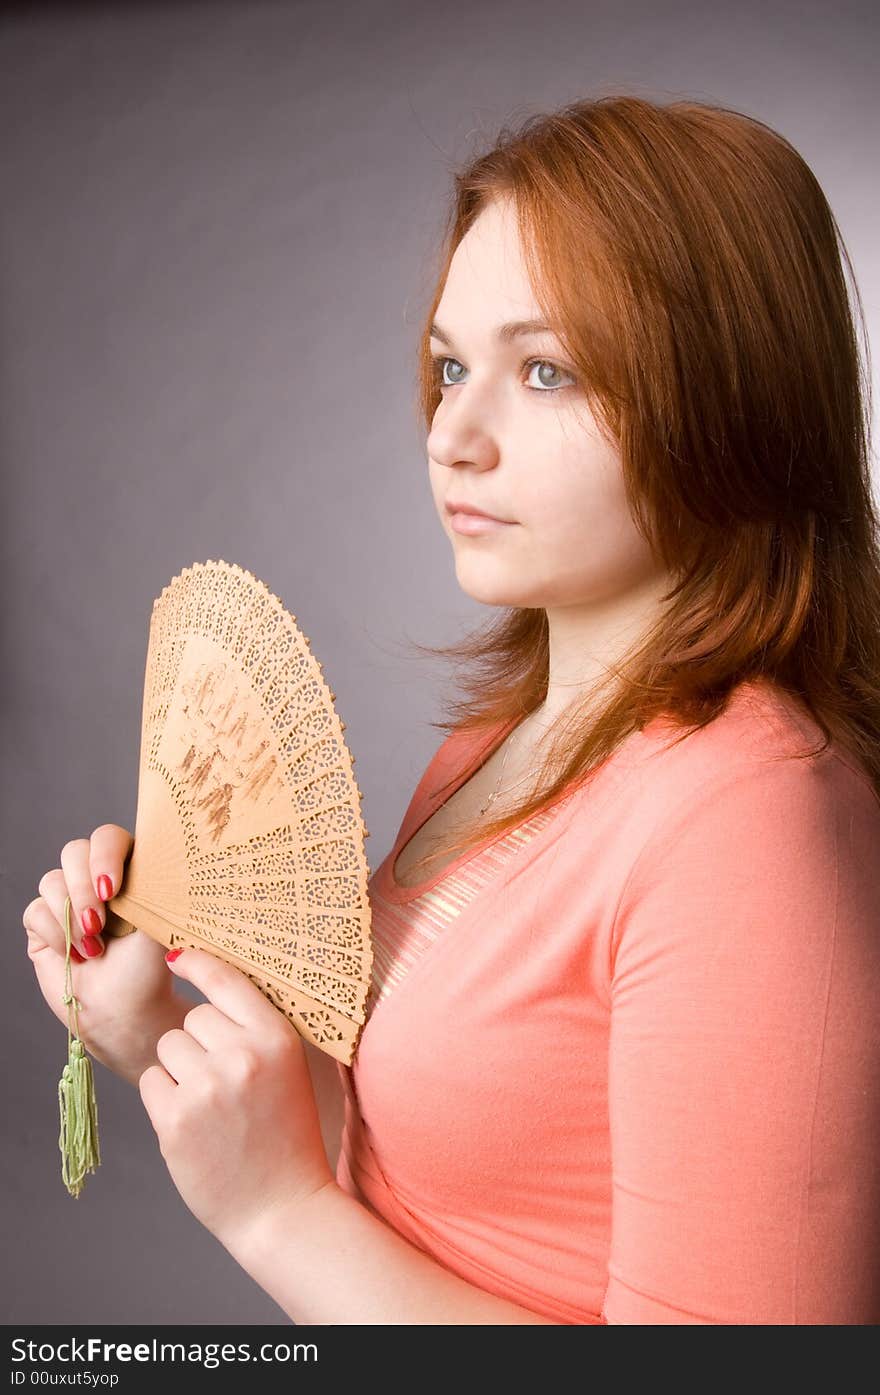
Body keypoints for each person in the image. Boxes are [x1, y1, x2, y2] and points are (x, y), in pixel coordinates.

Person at [22, 94, 880, 1323]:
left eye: (546, 371)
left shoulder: (753, 827)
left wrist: (273, 1216)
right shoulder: (501, 745)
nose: (453, 437)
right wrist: (153, 1024)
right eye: (447, 366)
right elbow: (415, 1154)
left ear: (730, 396)